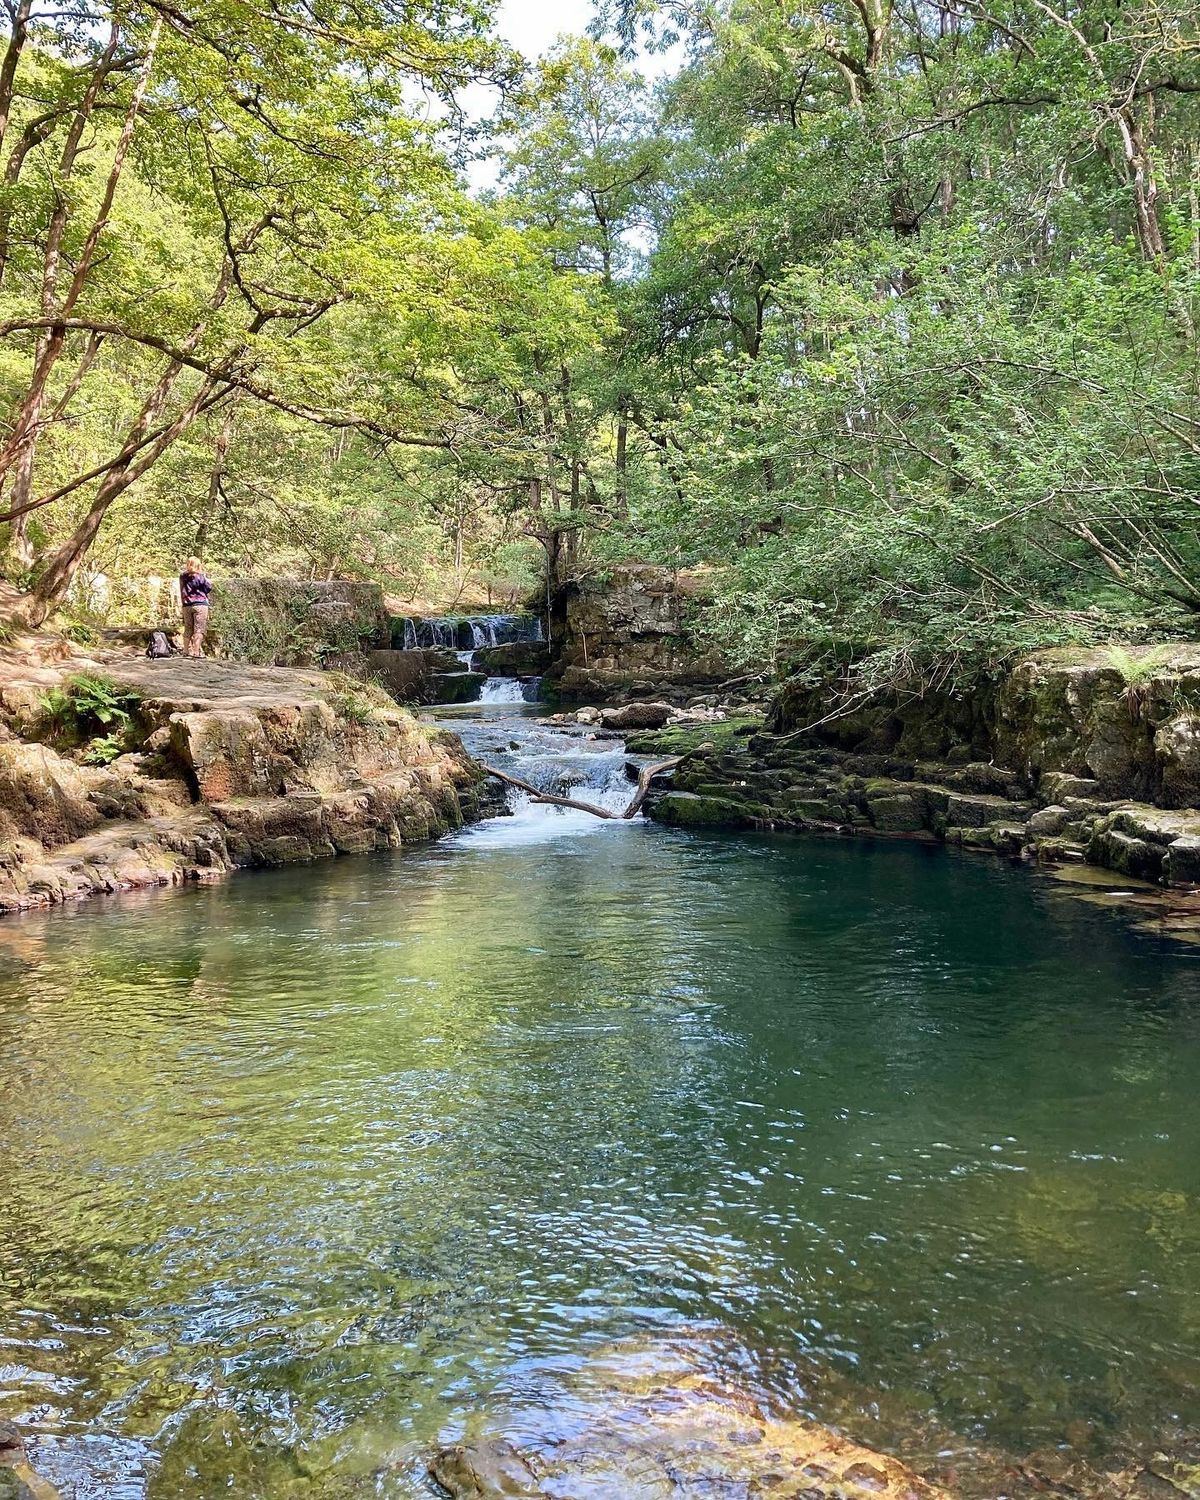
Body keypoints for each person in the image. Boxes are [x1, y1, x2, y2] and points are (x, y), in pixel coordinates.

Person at [179, 556, 213, 658]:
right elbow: (208, 588)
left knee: (188, 628)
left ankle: (185, 651)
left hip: (186, 605)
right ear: (198, 565)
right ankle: (196, 652)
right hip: (200, 604)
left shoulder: (182, 576)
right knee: (199, 629)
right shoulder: (201, 576)